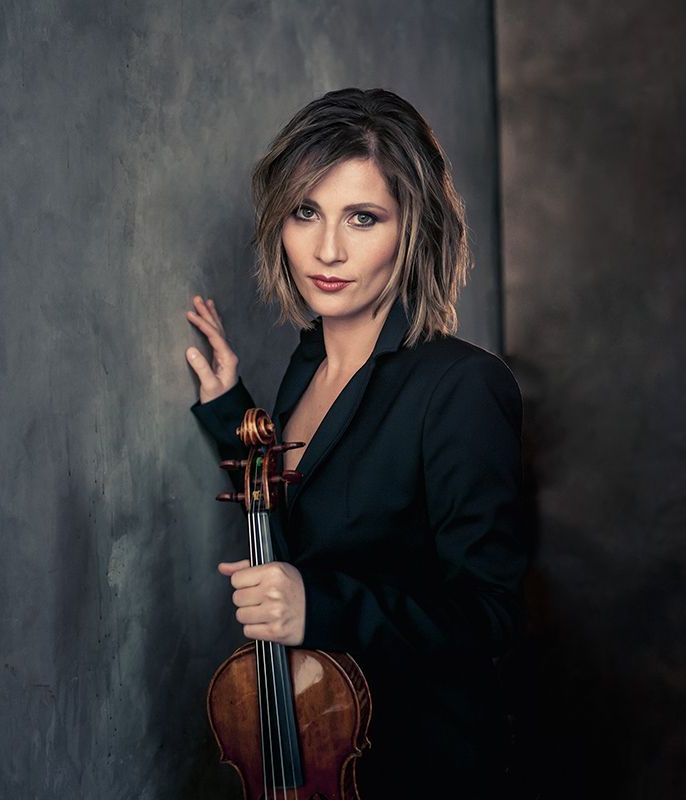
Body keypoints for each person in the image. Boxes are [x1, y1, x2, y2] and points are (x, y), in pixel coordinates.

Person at [185, 87, 526, 797]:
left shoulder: (462, 386)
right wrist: (230, 412)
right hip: (317, 750)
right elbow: (311, 511)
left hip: (423, 769)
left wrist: (319, 607)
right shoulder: (308, 364)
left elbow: (491, 617)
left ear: (412, 231)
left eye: (363, 218)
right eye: (306, 211)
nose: (328, 249)